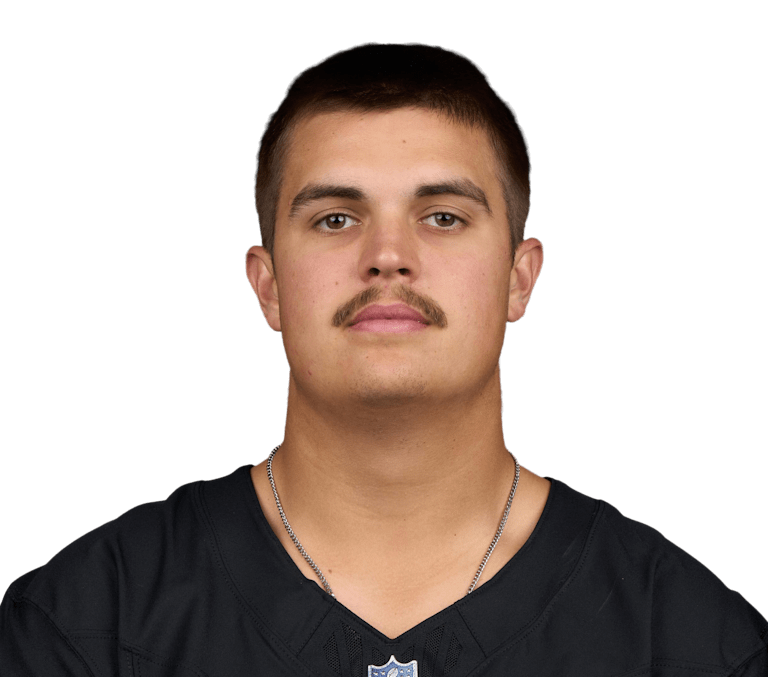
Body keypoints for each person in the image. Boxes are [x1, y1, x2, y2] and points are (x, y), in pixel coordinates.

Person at [2, 42, 765, 676]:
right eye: (336, 218)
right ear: (269, 287)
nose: (389, 255)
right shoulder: (85, 624)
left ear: (519, 278)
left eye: (443, 216)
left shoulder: (688, 639)